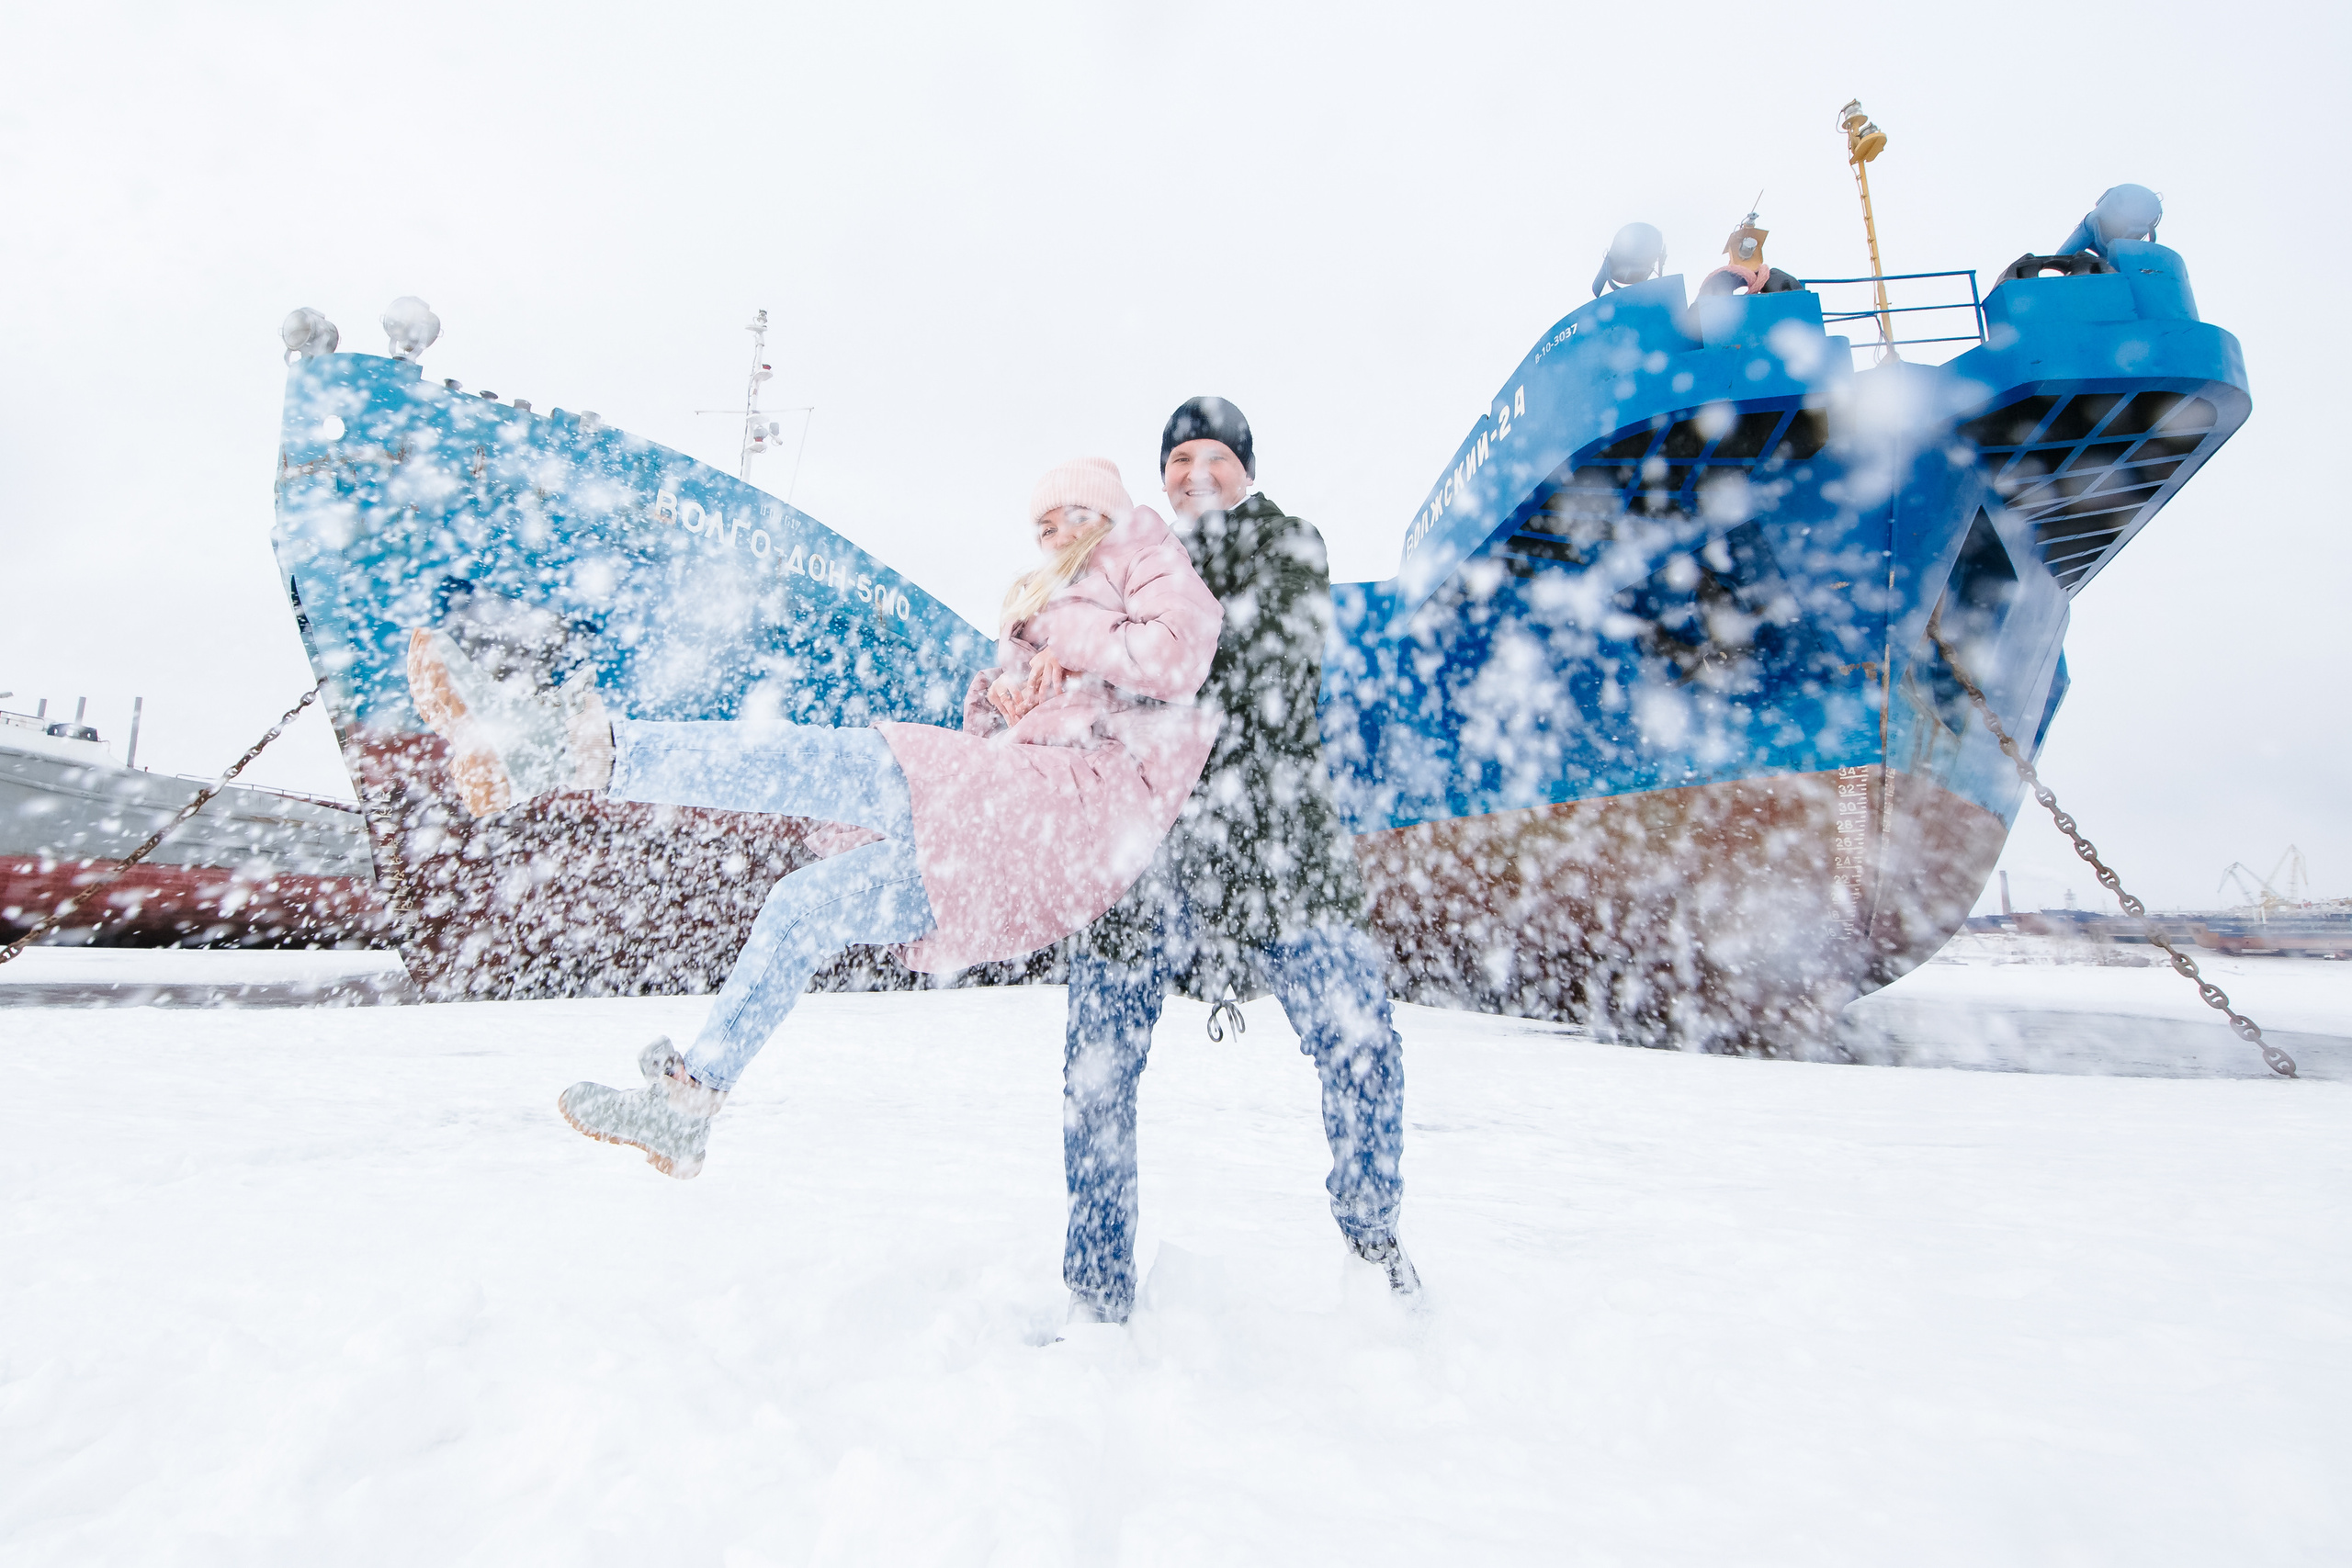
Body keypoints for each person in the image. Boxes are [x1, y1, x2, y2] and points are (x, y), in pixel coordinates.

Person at [406, 457, 1222, 1178]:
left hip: (1079, 810)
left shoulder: (1147, 556)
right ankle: (687, 1104)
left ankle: (574, 746)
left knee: (819, 761)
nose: (1051, 535)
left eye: (1068, 517)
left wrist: (1055, 631)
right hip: (1034, 837)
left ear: (1106, 514)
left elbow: (1175, 657)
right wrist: (1009, 695)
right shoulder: (1057, 605)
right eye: (1041, 523)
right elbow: (1005, 730)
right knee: (805, 905)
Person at [1060, 398, 1415, 1325]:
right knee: (1095, 1061)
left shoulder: (1290, 545)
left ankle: (1373, 1246)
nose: (1195, 473)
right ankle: (1095, 1289)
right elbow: (1084, 677)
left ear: (1246, 469)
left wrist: (1131, 651)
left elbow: (1250, 674)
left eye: (1215, 455)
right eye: (1178, 461)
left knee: (1362, 1041)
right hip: (1149, 840)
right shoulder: (1127, 563)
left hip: (1277, 839)